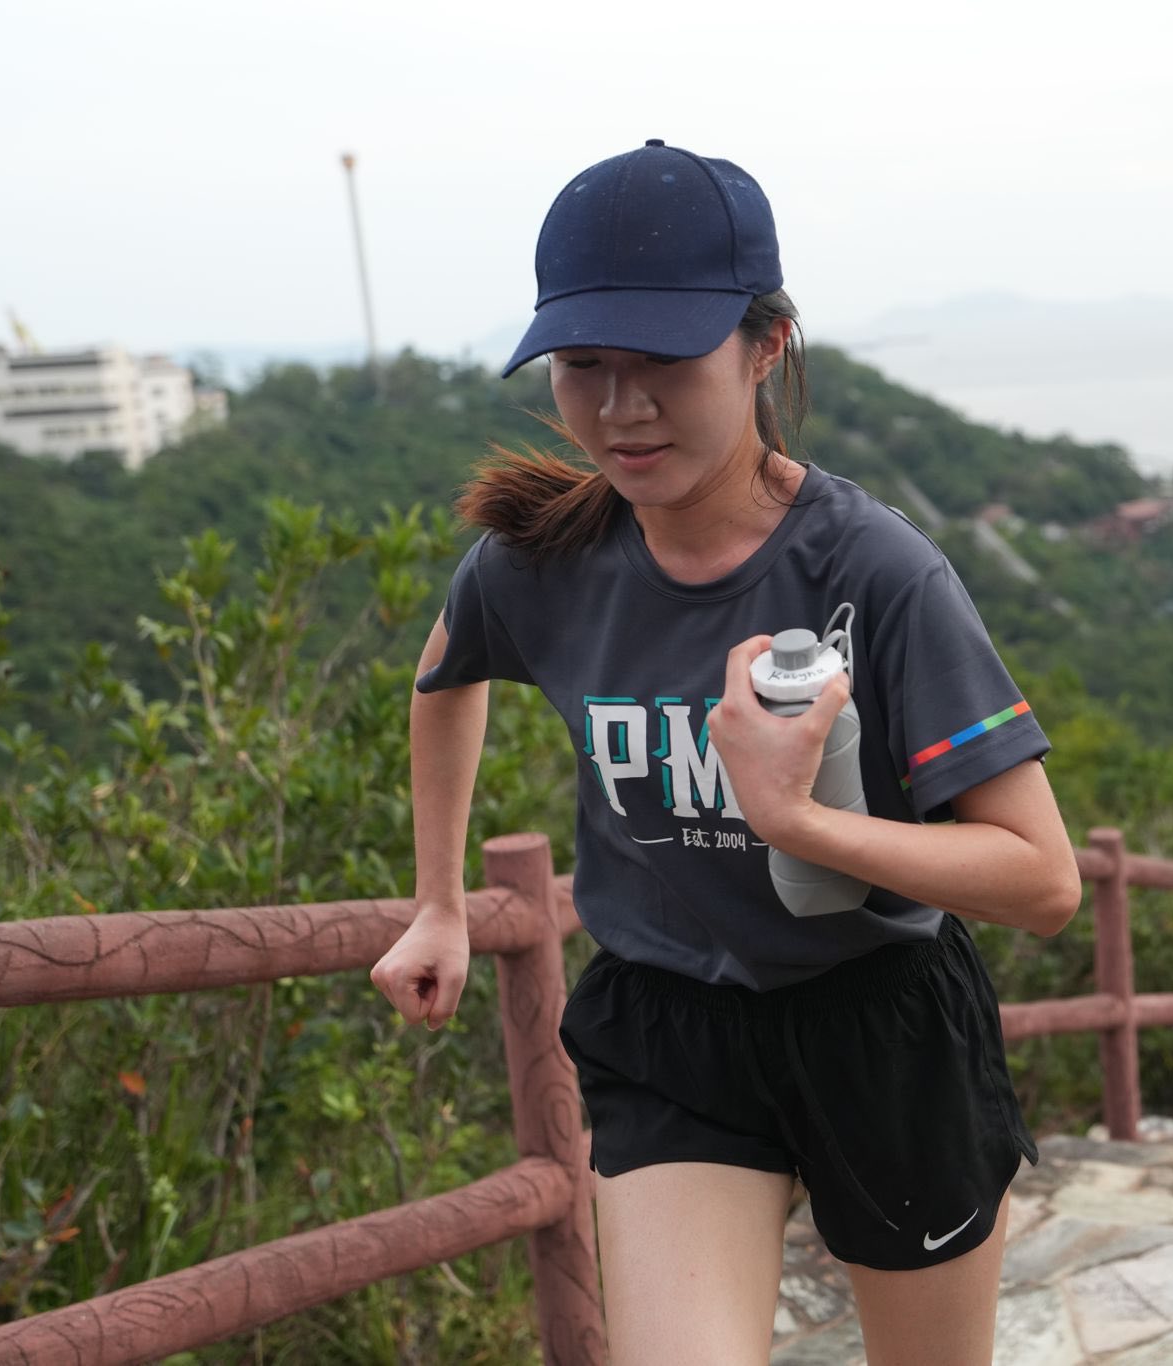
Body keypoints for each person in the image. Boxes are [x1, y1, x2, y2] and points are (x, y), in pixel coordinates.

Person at [368, 140, 1081, 1366]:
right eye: (582, 365)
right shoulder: (541, 563)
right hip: (670, 1027)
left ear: (765, 348)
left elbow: (1041, 878)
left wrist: (798, 822)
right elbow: (444, 680)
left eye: (663, 361)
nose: (618, 407)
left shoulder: (875, 571)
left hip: (880, 1020)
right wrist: (437, 901)